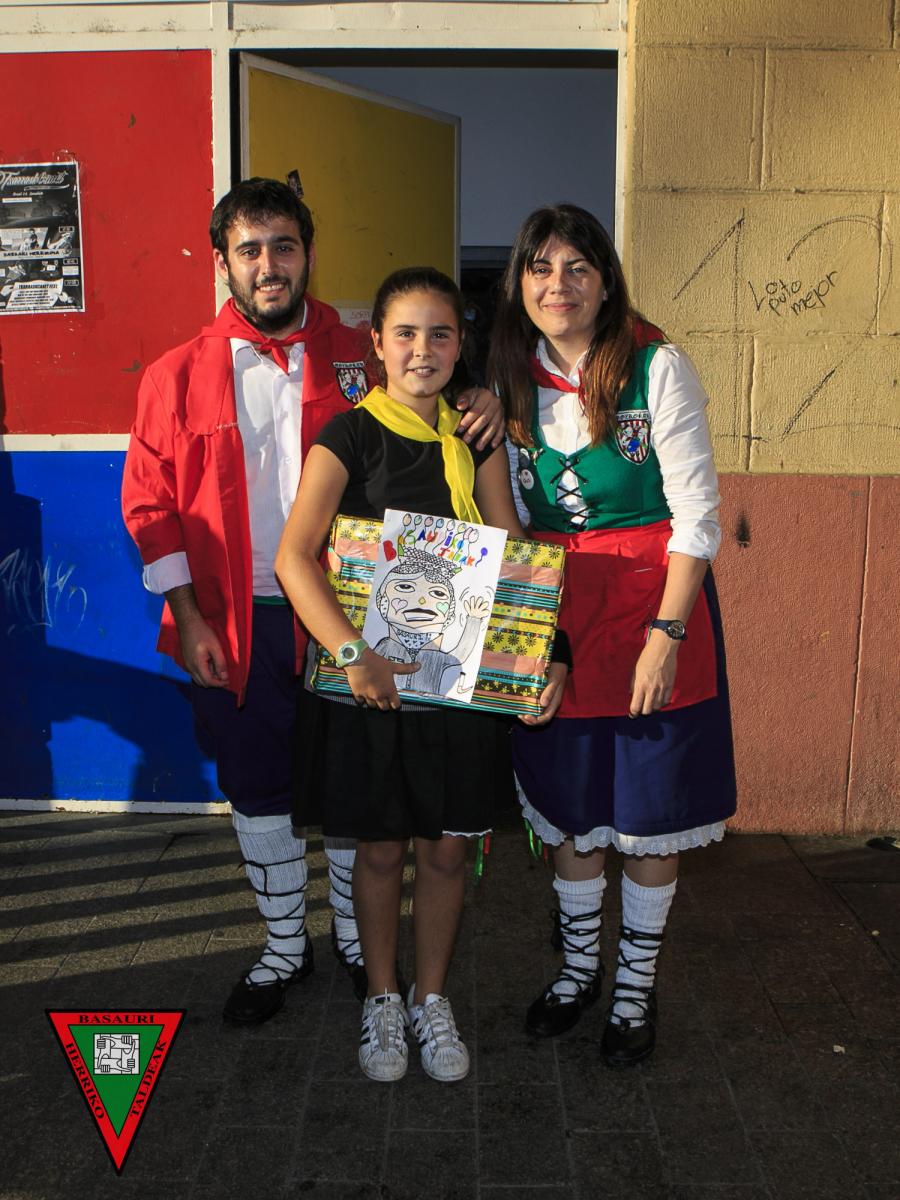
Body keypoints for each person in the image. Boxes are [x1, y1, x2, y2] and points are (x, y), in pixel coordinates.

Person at [121, 179, 503, 1028]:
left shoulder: (359, 351)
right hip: (235, 620)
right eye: (249, 250)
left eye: (284, 247)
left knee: (357, 786)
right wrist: (189, 616)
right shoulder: (174, 375)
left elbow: (431, 387)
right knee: (257, 785)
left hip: (357, 617)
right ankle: (284, 944)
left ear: (309, 256)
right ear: (222, 262)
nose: (269, 266)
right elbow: (149, 507)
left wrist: (483, 397)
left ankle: (361, 945)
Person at [274, 266, 567, 1082]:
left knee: (444, 854)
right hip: (371, 690)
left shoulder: (477, 438)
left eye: (440, 332)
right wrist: (352, 654)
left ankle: (430, 998)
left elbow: (512, 553)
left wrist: (547, 652)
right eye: (404, 332)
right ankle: (381, 996)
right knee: (378, 853)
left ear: (461, 342)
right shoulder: (347, 436)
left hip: (457, 692)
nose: (422, 348)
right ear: (376, 343)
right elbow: (295, 557)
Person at [488, 203, 736, 1068]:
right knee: (571, 809)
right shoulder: (506, 380)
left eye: (577, 268)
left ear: (605, 282)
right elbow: (508, 516)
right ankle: (577, 972)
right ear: (519, 284)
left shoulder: (657, 365)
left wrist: (667, 634)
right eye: (541, 268)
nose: (558, 284)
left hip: (650, 606)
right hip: (554, 610)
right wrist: (530, 634)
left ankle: (634, 988)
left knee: (650, 812)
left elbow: (698, 515)